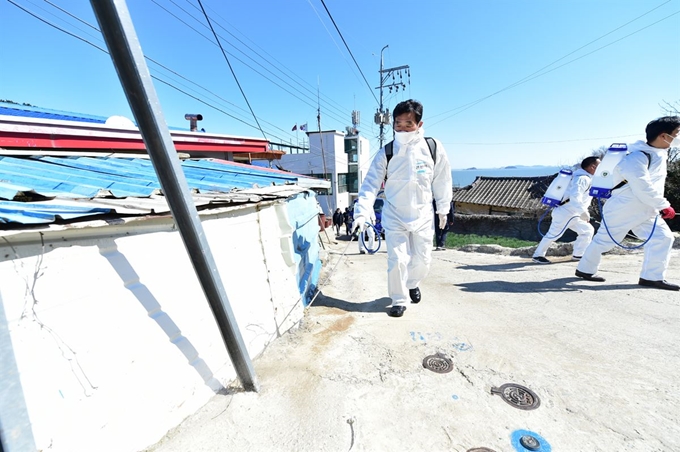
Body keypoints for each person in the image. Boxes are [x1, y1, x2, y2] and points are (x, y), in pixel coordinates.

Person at [353, 99, 452, 317]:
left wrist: (443, 209)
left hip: (423, 215)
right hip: (394, 215)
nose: (403, 128)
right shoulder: (386, 152)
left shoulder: (432, 148)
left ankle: (413, 282)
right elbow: (370, 184)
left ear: (419, 123)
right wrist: (361, 213)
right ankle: (398, 299)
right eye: (398, 124)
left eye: (409, 124)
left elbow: (442, 179)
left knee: (423, 260)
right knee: (397, 259)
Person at [575, 116, 679, 290]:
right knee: (604, 241)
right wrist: (663, 205)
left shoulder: (658, 153)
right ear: (663, 136)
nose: (678, 136)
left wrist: (658, 205)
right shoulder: (637, 157)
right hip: (624, 208)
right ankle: (585, 269)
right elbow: (642, 186)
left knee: (663, 238)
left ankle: (651, 277)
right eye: (677, 133)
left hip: (646, 208)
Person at [532, 157, 601, 264]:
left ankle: (579, 254)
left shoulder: (581, 177)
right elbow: (575, 197)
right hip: (567, 212)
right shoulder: (582, 179)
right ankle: (538, 255)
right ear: (593, 167)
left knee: (587, 231)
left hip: (572, 213)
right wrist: (583, 212)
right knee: (553, 234)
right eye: (599, 165)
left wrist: (581, 212)